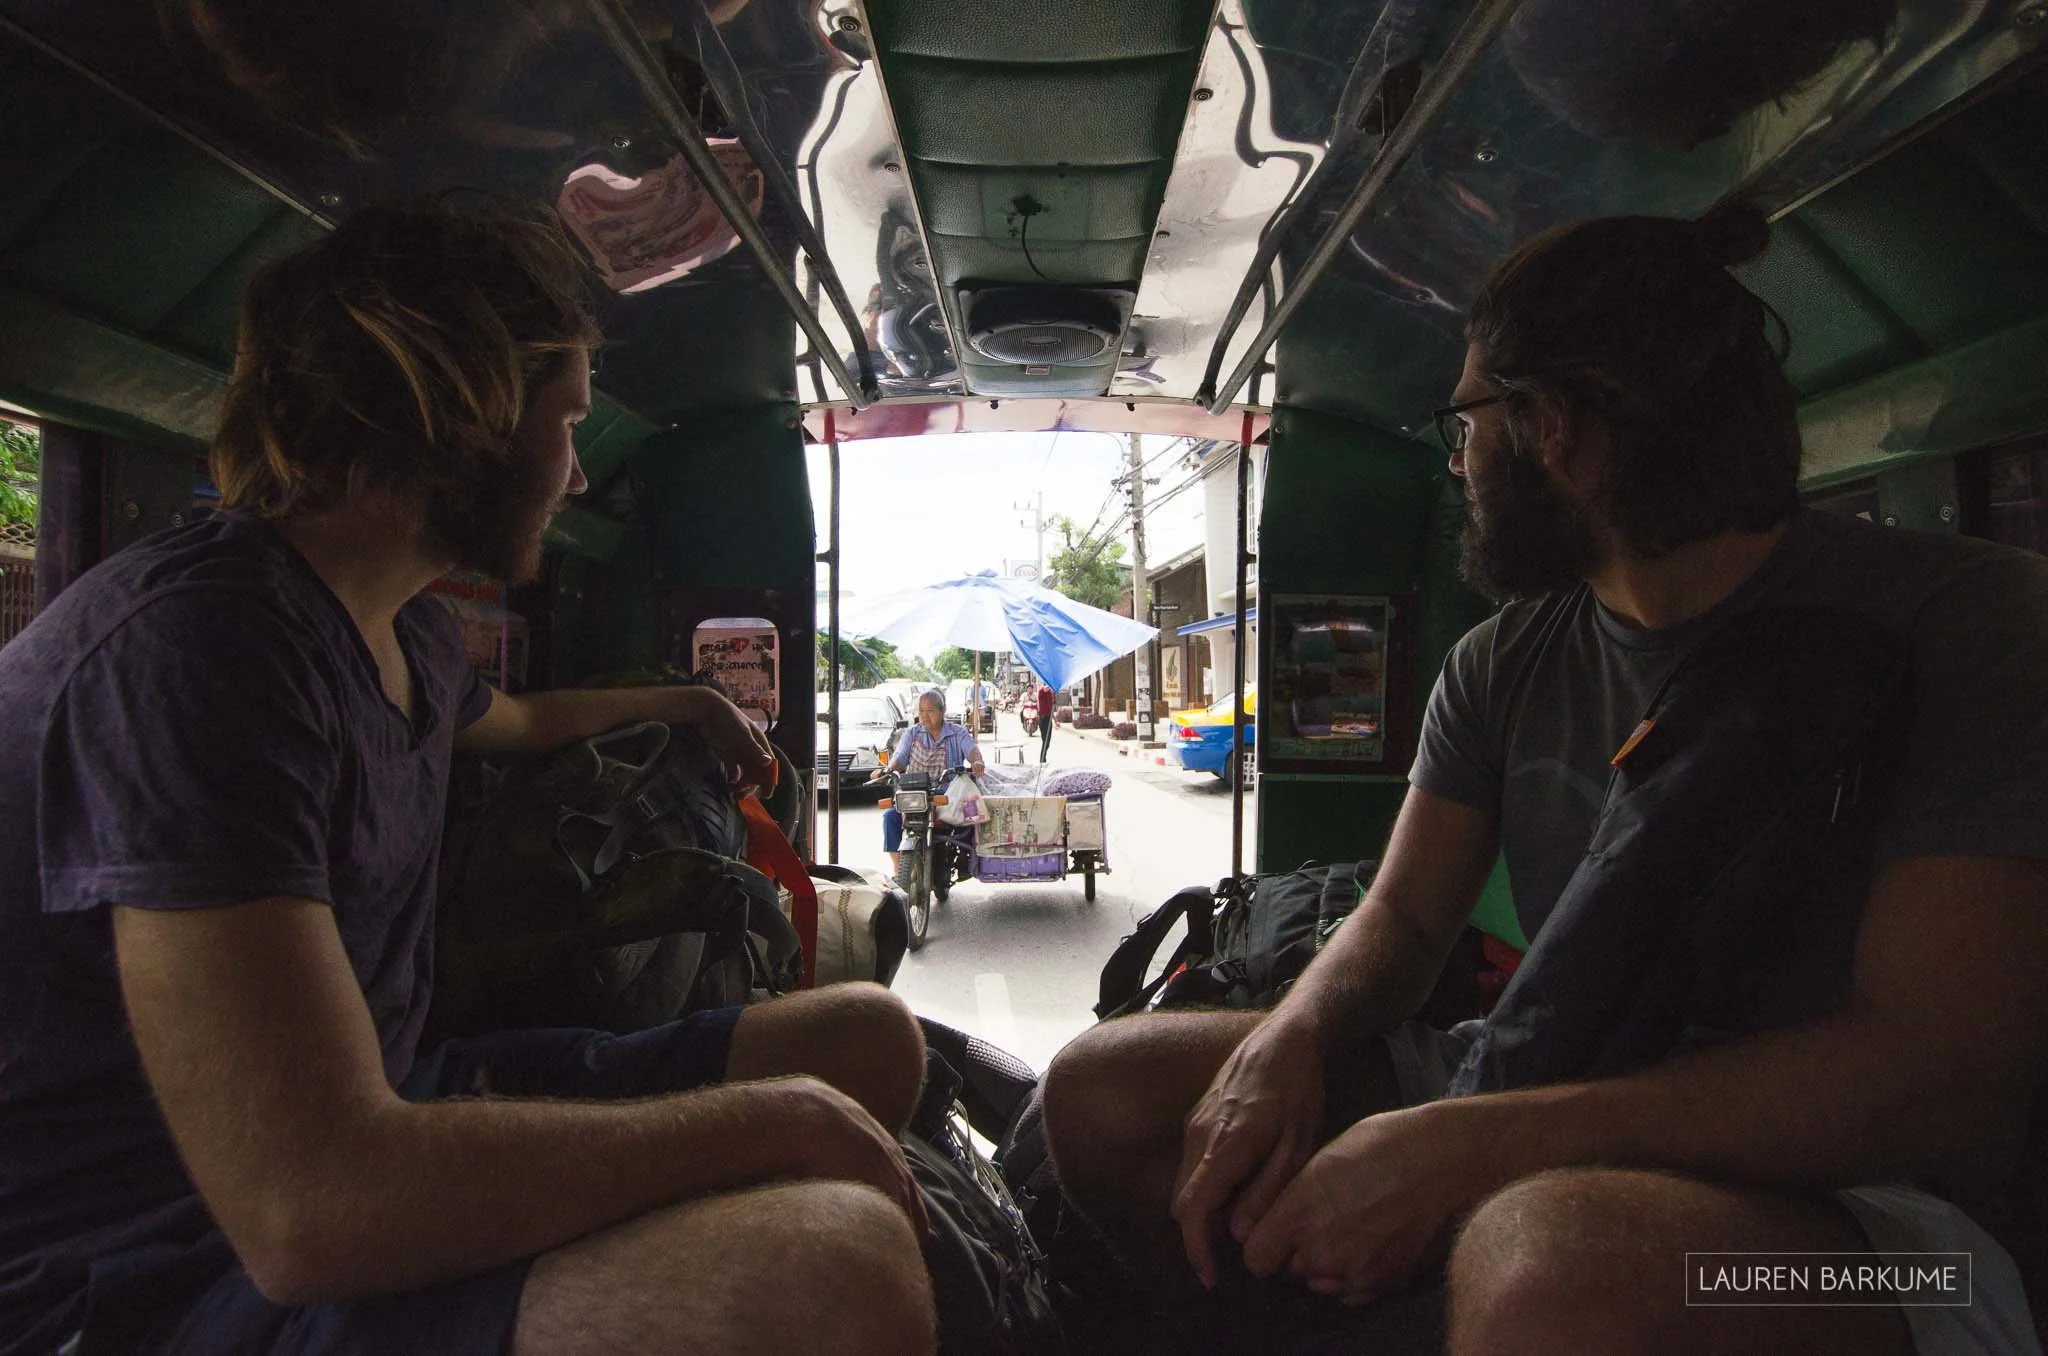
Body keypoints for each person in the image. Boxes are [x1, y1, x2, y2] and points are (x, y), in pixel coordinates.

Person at [1044, 206, 2048, 1356]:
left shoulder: (1965, 622)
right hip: (1544, 1075)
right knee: (1107, 1093)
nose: (1456, 460)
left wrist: (1479, 1146)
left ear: (1551, 428)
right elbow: (1403, 920)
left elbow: (1937, 1077)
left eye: (1465, 422)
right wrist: (1286, 1041)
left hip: (1873, 1222)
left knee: (1549, 1272)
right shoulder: (1503, 663)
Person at [0, 202, 936, 1356]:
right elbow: (307, 1209)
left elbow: (522, 719)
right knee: (834, 1272)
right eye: (568, 423)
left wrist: (689, 704)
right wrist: (766, 1129)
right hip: (146, 1271)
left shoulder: (404, 631)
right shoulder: (203, 656)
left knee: (866, 1039)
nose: (578, 476)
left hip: (396, 1101)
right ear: (467, 414)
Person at [872, 688, 985, 880]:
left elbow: (972, 751)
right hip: (915, 796)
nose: (924, 716)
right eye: (921, 711)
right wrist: (887, 770)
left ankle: (965, 858)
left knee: (970, 816)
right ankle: (899, 870)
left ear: (942, 712)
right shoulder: (912, 733)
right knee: (890, 817)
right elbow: (899, 758)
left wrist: (977, 762)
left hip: (947, 796)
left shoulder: (957, 733)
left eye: (930, 711)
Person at [1035, 678, 1057, 762]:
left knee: (1047, 742)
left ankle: (1043, 758)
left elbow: (1051, 708)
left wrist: (1055, 720)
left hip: (1049, 718)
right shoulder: (1041, 691)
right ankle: (1042, 759)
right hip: (1043, 718)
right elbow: (1045, 689)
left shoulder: (1051, 693)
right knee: (1045, 740)